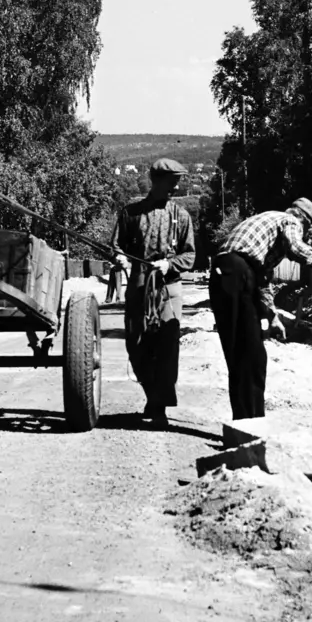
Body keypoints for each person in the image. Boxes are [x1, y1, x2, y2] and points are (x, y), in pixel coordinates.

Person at [210, 198, 312, 420]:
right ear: (305, 220)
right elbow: (297, 249)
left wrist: (272, 315)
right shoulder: (289, 221)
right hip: (236, 273)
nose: (306, 236)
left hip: (225, 277)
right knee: (248, 354)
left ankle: (246, 419)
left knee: (246, 354)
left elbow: (261, 279)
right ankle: (250, 423)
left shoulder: (266, 226)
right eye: (309, 232)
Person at [110, 158, 196, 428]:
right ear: (155, 180)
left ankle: (160, 405)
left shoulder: (181, 216)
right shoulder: (131, 213)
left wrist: (170, 264)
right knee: (136, 342)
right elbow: (116, 246)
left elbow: (190, 255)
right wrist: (120, 258)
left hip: (169, 285)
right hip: (139, 281)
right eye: (171, 181)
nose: (176, 186)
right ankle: (151, 394)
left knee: (168, 344)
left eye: (178, 180)